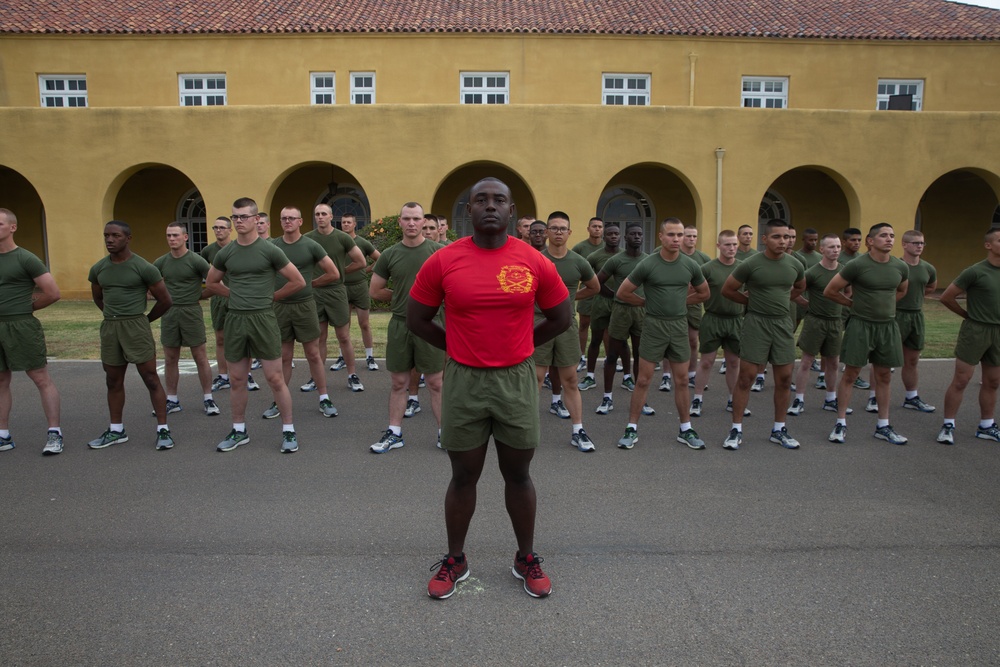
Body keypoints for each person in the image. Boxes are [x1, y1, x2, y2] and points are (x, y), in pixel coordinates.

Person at [408, 177, 569, 600]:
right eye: (481, 199)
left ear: (511, 211)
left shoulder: (533, 260)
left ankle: (526, 557)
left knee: (518, 474)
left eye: (500, 200)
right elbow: (417, 319)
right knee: (463, 476)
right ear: (469, 210)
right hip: (464, 380)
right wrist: (458, 346)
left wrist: (522, 344)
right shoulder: (444, 261)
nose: (491, 206)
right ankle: (455, 559)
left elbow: (561, 316)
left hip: (515, 379)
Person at [206, 197, 306, 453]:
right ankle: (239, 431)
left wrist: (271, 297)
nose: (238, 221)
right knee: (237, 378)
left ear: (255, 220)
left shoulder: (270, 250)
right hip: (236, 320)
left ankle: (289, 431)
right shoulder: (226, 252)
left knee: (275, 377)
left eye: (243, 217)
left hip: (263, 318)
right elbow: (212, 284)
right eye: (234, 217)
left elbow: (297, 281)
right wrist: (236, 296)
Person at [616, 218, 709, 450]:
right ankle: (631, 429)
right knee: (644, 379)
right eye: (671, 235)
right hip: (653, 326)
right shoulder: (648, 264)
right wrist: (646, 303)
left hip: (678, 326)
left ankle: (685, 429)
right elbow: (623, 292)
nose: (676, 239)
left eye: (680, 235)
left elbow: (704, 292)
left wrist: (680, 302)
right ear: (661, 236)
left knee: (683, 380)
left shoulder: (690, 265)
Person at [87, 221, 175, 451]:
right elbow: (98, 297)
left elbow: (165, 300)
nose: (109, 240)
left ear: (128, 238)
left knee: (150, 378)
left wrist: (143, 321)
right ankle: (116, 430)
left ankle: (163, 430)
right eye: (106, 235)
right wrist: (113, 317)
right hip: (110, 328)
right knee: (113, 380)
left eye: (115, 235)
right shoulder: (98, 268)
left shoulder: (143, 267)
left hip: (136, 326)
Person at [721, 218, 805, 450]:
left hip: (782, 324)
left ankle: (779, 429)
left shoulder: (794, 264)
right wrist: (751, 301)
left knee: (785, 378)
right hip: (756, 324)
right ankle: (736, 429)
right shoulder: (751, 264)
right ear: (765, 239)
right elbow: (728, 289)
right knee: (746, 377)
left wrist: (780, 300)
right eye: (777, 237)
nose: (783, 241)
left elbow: (800, 286)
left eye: (786, 237)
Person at [823, 223, 909, 445]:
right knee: (851, 374)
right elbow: (831, 290)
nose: (889, 239)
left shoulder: (900, 266)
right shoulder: (857, 265)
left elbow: (901, 290)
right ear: (871, 241)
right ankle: (840, 423)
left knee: (884, 376)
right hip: (860, 326)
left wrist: (885, 306)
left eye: (892, 235)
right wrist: (852, 304)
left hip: (887, 327)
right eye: (883, 236)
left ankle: (883, 425)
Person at [368, 202, 444, 453]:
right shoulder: (389, 254)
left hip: (432, 324)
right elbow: (375, 291)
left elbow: (454, 290)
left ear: (424, 222)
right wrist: (405, 296)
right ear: (399, 222)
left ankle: (446, 434)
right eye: (407, 219)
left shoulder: (439, 252)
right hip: (401, 323)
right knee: (399, 382)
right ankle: (395, 433)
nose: (411, 223)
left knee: (436, 382)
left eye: (416, 219)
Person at [264, 206, 340, 421]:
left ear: (300, 221)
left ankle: (324, 397)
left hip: (305, 306)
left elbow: (333, 273)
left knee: (313, 354)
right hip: (279, 307)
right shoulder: (272, 246)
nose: (288, 221)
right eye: (284, 218)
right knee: (284, 356)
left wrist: (308, 284)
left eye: (292, 218)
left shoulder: (311, 245)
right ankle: (279, 399)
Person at [534, 212, 600, 451]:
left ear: (570, 233)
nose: (559, 232)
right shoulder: (536, 259)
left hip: (565, 325)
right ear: (547, 232)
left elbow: (594, 287)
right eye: (554, 228)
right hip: (539, 324)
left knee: (570, 379)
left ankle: (578, 430)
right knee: (536, 379)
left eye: (563, 228)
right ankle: (528, 429)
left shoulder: (578, 262)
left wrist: (571, 298)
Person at [0, 208, 63, 455]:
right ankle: (3, 435)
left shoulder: (25, 258)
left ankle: (55, 433)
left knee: (40, 377)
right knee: (1, 380)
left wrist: (26, 309)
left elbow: (53, 292)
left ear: (12, 227)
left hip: (22, 325)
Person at [936, 229, 1000, 445]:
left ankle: (986, 426)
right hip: (976, 330)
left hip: (998, 333)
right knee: (962, 380)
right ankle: (948, 425)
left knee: (993, 381)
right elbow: (947, 297)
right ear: (988, 245)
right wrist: (968, 316)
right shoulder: (975, 271)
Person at [152, 222, 218, 416]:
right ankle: (172, 399)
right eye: (169, 236)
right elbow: (150, 284)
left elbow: (214, 283)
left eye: (175, 235)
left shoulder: (196, 261)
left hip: (191, 312)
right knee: (171, 357)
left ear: (185, 237)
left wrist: (198, 296)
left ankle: (208, 398)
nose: (172, 239)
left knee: (200, 357)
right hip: (170, 313)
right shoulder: (161, 262)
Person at [303, 203, 367, 392]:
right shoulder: (307, 239)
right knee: (319, 337)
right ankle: (317, 377)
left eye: (324, 214)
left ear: (332, 217)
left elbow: (361, 261)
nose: (320, 217)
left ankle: (352, 375)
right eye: (317, 214)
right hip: (316, 293)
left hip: (337, 292)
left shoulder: (342, 238)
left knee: (343, 336)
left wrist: (341, 272)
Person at [787, 233, 850, 416]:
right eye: (831, 247)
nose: (836, 250)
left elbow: (849, 290)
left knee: (833, 362)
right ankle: (799, 399)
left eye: (838, 247)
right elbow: (794, 291)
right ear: (822, 249)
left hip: (835, 322)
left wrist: (844, 302)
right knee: (807, 361)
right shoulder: (812, 272)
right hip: (815, 321)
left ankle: (830, 399)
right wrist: (806, 304)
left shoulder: (844, 271)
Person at [689, 230, 747, 419]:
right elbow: (691, 290)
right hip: (713, 319)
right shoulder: (707, 268)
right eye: (727, 244)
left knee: (733, 362)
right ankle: (697, 399)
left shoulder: (743, 268)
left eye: (734, 244)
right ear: (718, 246)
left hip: (736, 320)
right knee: (706, 362)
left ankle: (733, 399)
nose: (731, 248)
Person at [596, 223, 648, 417]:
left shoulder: (648, 261)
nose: (636, 236)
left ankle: (641, 399)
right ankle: (607, 397)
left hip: (641, 312)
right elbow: (596, 281)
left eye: (639, 233)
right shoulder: (616, 260)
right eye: (632, 234)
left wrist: (646, 302)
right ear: (625, 238)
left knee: (640, 356)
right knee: (612, 355)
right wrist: (614, 296)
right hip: (620, 312)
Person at [201, 216, 255, 391]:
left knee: (245, 337)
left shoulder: (239, 247)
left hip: (241, 299)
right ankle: (223, 376)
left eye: (222, 228)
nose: (218, 231)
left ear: (230, 230)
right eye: (215, 228)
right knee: (221, 339)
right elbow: (199, 272)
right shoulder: (208, 251)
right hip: (219, 299)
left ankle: (247, 375)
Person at [579, 221, 628, 396]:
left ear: (620, 236)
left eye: (616, 234)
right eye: (610, 234)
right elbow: (585, 276)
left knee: (621, 341)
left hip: (621, 303)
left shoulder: (626, 255)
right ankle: (590, 376)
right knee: (596, 339)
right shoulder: (595, 256)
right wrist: (605, 291)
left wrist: (620, 295)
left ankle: (627, 377)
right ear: (604, 236)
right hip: (600, 301)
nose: (613, 236)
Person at [894, 229, 938, 413]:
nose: (919, 246)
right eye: (915, 243)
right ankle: (874, 397)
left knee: (912, 360)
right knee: (883, 360)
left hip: (916, 316)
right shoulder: (895, 265)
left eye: (922, 243)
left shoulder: (928, 268)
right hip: (896, 315)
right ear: (904, 244)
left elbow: (930, 287)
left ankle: (911, 397)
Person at [337, 213, 381, 373]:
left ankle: (370, 357)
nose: (345, 225)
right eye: (343, 222)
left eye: (349, 222)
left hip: (360, 286)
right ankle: (342, 357)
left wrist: (366, 270)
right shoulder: (338, 241)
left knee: (364, 324)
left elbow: (380, 259)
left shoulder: (362, 243)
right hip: (342, 287)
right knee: (343, 325)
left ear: (355, 224)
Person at [679, 224, 711, 389]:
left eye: (694, 236)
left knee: (692, 340)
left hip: (694, 305)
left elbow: (709, 283)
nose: (691, 239)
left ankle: (691, 373)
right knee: (673, 340)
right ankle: (666, 374)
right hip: (674, 305)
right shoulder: (675, 254)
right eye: (688, 236)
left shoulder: (703, 259)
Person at [572, 217, 604, 370]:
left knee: (605, 326)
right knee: (584, 324)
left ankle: (610, 358)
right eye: (594, 226)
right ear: (588, 229)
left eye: (600, 227)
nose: (597, 229)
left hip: (604, 295)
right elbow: (574, 270)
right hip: (587, 293)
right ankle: (581, 357)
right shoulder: (580, 248)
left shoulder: (608, 247)